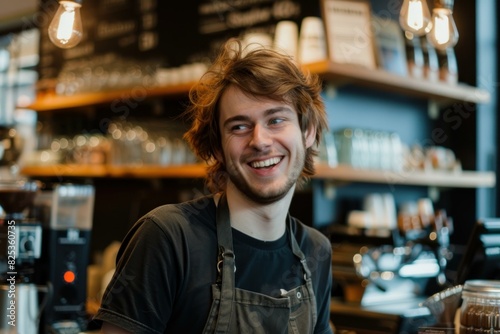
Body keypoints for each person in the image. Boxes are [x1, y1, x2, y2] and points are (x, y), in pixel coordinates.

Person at [94, 37, 333, 333]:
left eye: (276, 120)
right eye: (239, 126)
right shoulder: (169, 238)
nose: (259, 140)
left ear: (307, 131)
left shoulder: (316, 252)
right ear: (218, 148)